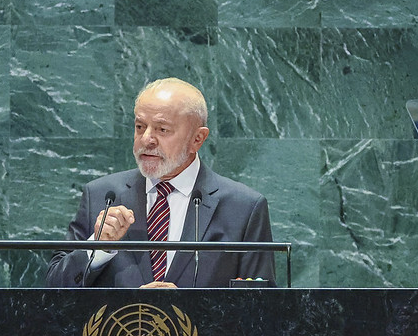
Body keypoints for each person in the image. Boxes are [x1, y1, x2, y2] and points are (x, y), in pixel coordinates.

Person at [46, 77, 275, 288]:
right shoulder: (101, 196)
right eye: (139, 127)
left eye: (162, 129)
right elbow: (52, 291)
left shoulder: (244, 209)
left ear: (198, 139)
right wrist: (99, 246)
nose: (146, 139)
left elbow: (261, 310)